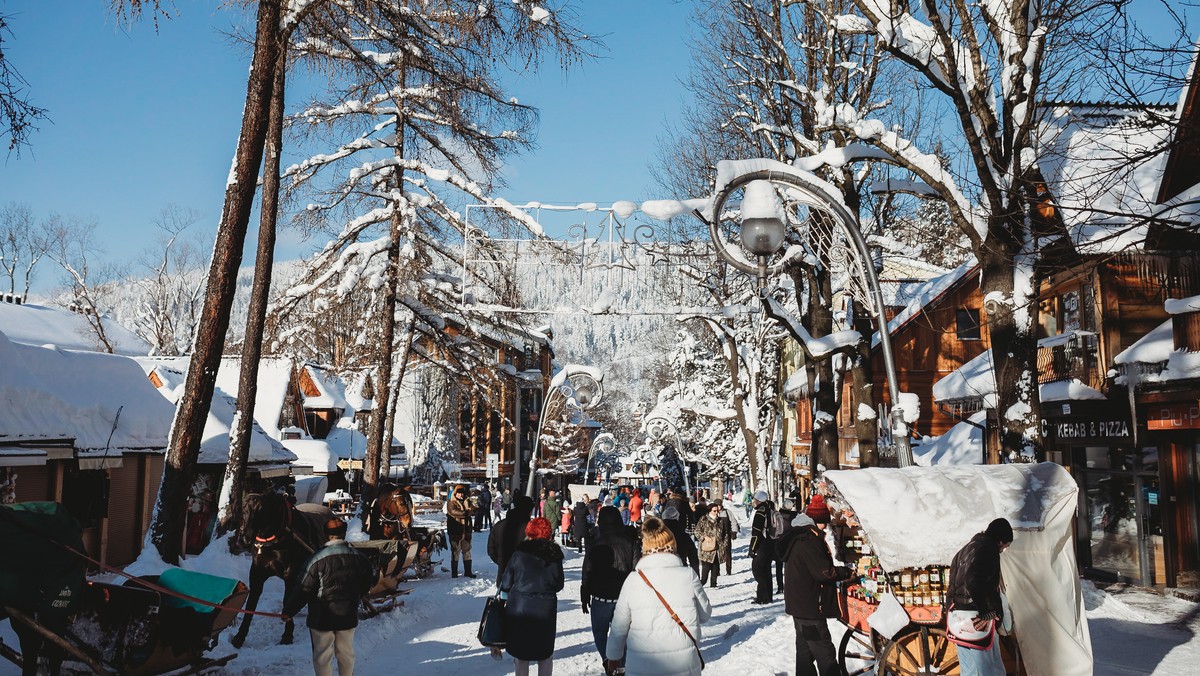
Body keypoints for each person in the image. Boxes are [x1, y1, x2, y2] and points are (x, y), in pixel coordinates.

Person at [605, 517, 711, 676]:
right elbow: (705, 614)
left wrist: (613, 657)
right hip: (684, 665)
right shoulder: (688, 576)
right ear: (672, 546)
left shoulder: (633, 580)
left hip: (642, 667)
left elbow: (618, 626)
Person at [282, 518, 376, 676]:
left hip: (321, 618)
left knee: (322, 657)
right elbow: (368, 582)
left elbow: (303, 589)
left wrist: (289, 611)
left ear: (326, 535)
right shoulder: (360, 557)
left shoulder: (316, 559)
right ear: (343, 534)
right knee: (346, 654)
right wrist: (355, 596)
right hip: (348, 615)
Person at [779, 506, 852, 676]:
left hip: (800, 607)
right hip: (810, 608)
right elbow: (824, 572)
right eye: (824, 523)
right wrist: (847, 572)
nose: (825, 527)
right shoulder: (808, 540)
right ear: (816, 520)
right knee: (824, 653)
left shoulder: (800, 534)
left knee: (805, 653)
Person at [947, 518, 1014, 676]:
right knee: (990, 670)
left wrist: (950, 612)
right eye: (1006, 545)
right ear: (1000, 541)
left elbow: (951, 587)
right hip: (977, 619)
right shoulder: (987, 549)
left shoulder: (963, 550)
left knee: (969, 671)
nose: (1004, 549)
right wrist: (987, 610)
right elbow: (973, 579)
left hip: (958, 620)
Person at [499, 517, 565, 676]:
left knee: (521, 655)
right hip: (545, 610)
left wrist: (503, 601)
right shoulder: (554, 554)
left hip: (520, 608)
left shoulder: (520, 553)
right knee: (545, 654)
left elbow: (506, 582)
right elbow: (558, 584)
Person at [581, 506, 640, 675]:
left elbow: (587, 570)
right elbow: (637, 571)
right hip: (624, 597)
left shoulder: (595, 543)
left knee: (600, 633)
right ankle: (621, 664)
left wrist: (585, 593)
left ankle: (608, 661)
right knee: (624, 635)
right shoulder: (631, 543)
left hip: (600, 597)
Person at [489, 494, 535, 583]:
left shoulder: (499, 525)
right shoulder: (532, 528)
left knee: (505, 595)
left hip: (504, 576)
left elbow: (491, 550)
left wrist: (502, 561)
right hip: (526, 579)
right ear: (529, 510)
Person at [693, 501, 730, 588]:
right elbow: (697, 531)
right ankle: (700, 585)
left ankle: (714, 585)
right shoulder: (703, 519)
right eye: (714, 511)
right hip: (706, 549)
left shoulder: (720, 520)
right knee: (705, 571)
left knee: (715, 569)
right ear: (709, 511)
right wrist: (704, 537)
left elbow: (725, 533)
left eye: (717, 511)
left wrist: (724, 544)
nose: (716, 513)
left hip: (718, 549)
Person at [749, 490, 776, 604]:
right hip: (770, 544)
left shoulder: (760, 513)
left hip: (762, 545)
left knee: (758, 570)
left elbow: (756, 533)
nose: (753, 502)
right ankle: (768, 596)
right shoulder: (770, 510)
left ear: (759, 501)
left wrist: (752, 548)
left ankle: (763, 597)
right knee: (766, 570)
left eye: (755, 500)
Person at [446, 485, 476, 578]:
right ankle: (454, 573)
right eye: (459, 493)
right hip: (456, 531)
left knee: (467, 551)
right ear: (456, 493)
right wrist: (466, 513)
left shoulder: (467, 501)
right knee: (455, 551)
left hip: (466, 531)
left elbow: (473, 509)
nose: (461, 495)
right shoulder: (451, 502)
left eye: (462, 493)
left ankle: (468, 571)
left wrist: (471, 511)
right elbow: (453, 511)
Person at [661, 505, 699, 574]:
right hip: (680, 568)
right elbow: (693, 557)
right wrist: (696, 575)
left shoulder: (658, 535)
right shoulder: (683, 534)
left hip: (662, 571)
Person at [715, 498, 740, 575]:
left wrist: (734, 532)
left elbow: (733, 522)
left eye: (719, 505)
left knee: (728, 553)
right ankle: (716, 571)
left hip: (726, 535)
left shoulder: (727, 512)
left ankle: (728, 570)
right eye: (717, 506)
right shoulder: (712, 513)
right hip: (716, 536)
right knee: (716, 554)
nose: (718, 507)